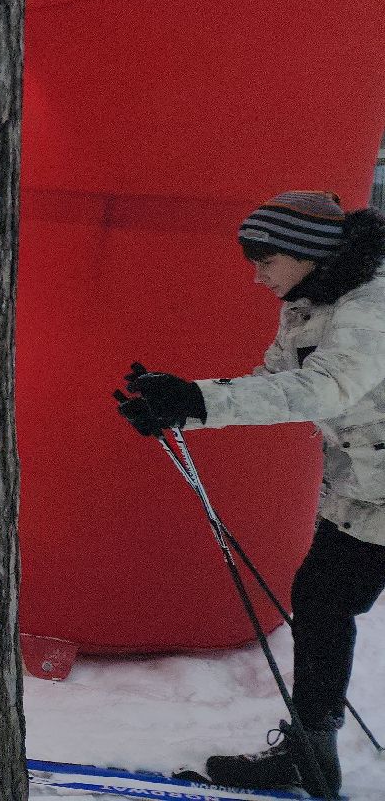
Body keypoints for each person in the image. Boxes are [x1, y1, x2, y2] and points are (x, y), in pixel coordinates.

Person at [116, 192, 385, 799]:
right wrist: (183, 402)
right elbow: (275, 381)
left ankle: (310, 753)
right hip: (364, 494)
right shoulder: (310, 303)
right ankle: (310, 752)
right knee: (320, 600)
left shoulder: (372, 305)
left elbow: (326, 389)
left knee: (324, 601)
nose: (257, 275)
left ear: (307, 254)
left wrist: (201, 401)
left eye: (266, 260)